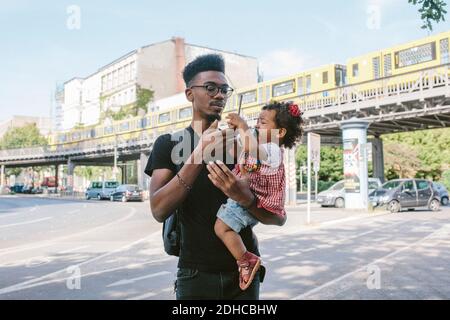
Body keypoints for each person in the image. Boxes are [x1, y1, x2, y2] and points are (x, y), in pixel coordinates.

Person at [145, 54, 286, 300]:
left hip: (243, 275)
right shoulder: (168, 144)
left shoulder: (247, 148)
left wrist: (246, 199)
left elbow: (277, 218)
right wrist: (199, 154)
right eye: (210, 88)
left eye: (224, 89)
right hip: (194, 276)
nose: (219, 95)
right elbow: (158, 210)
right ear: (190, 94)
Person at [211, 101, 303, 290]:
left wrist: (243, 126)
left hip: (257, 199)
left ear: (280, 133)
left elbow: (252, 149)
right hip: (249, 195)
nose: (256, 125)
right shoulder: (257, 143)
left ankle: (246, 260)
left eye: (262, 122)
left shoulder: (273, 150)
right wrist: (234, 133)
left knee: (222, 228)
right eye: (257, 122)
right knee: (223, 226)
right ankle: (245, 259)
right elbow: (236, 149)